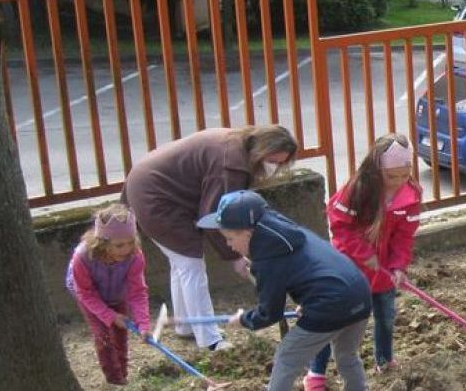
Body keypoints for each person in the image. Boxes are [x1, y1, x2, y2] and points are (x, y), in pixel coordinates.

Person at [121, 125, 298, 351]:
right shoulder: (232, 165)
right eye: (273, 161)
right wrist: (234, 256)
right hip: (155, 196)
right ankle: (210, 340)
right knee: (191, 266)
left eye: (281, 164)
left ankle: (186, 325)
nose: (274, 168)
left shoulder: (238, 144)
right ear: (263, 149)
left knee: (182, 265)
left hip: (145, 182)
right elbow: (215, 216)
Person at [197, 190, 372, 391]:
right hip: (360, 293)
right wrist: (309, 302)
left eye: (229, 238)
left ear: (247, 233)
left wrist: (243, 319)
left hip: (331, 305)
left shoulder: (267, 260)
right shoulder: (287, 232)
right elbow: (313, 270)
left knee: (287, 356)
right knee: (347, 355)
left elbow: (269, 313)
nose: (229, 245)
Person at [304, 133, 422, 390]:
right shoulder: (358, 189)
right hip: (348, 270)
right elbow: (340, 226)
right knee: (334, 320)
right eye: (392, 176)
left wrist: (398, 266)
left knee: (386, 316)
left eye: (404, 175)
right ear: (377, 169)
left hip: (382, 274)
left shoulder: (410, 194)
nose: (399, 182)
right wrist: (363, 254)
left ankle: (384, 360)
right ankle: (315, 373)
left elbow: (404, 237)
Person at [66, 203, 151, 386]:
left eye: (130, 242)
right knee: (103, 335)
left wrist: (143, 323)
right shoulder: (82, 257)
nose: (126, 249)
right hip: (88, 296)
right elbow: (85, 293)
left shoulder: (135, 256)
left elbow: (137, 292)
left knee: (121, 331)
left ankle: (123, 373)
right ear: (102, 243)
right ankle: (114, 379)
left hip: (116, 294)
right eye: (119, 245)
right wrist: (110, 315)